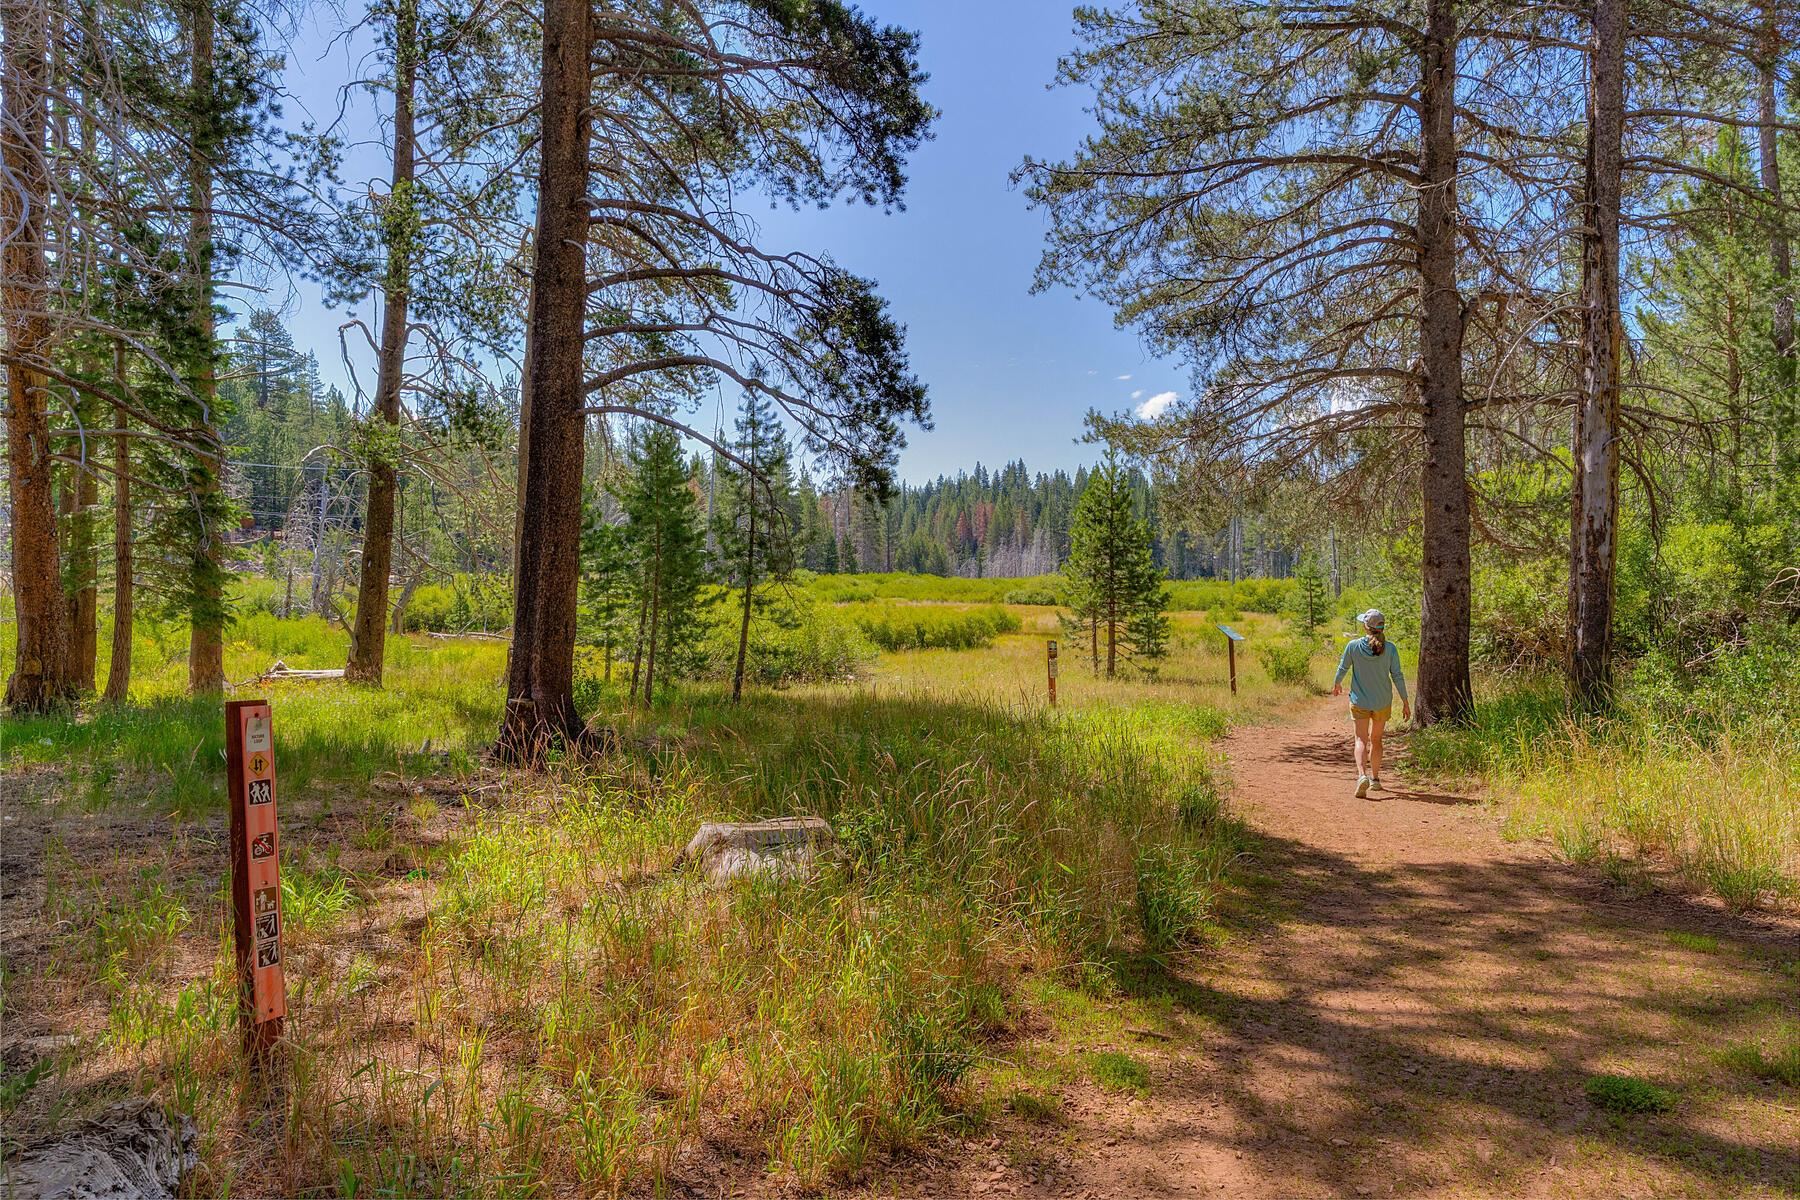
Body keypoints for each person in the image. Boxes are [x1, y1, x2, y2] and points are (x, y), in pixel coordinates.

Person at [1331, 609, 1410, 798]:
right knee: (1376, 739)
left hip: (1359, 701)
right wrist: (1405, 701)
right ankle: (1375, 779)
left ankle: (1362, 776)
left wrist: (1337, 683)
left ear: (1366, 627)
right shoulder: (1390, 648)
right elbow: (1397, 675)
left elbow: (1343, 667)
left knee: (1360, 739)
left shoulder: (1353, 646)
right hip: (1382, 702)